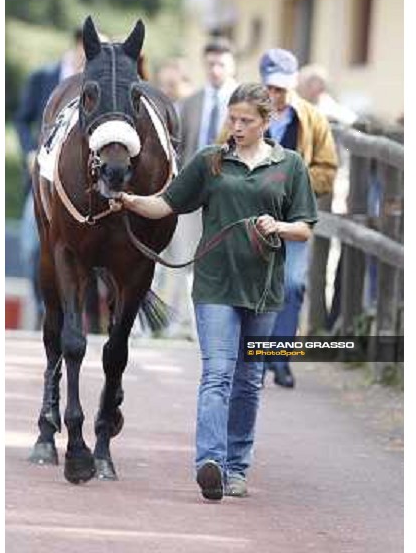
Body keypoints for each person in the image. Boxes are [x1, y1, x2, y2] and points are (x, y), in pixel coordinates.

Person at [112, 83, 317, 500]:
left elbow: (305, 228)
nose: (237, 127)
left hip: (263, 290)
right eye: (233, 118)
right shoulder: (211, 162)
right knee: (218, 374)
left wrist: (276, 227)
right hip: (214, 286)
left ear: (267, 121)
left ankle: (238, 466)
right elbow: (166, 203)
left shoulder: (289, 165)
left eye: (247, 121)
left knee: (248, 380)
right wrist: (128, 200)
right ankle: (211, 463)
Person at [258, 49, 338, 388]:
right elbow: (222, 154)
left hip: (294, 219)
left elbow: (328, 169)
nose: (276, 96)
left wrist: (296, 180)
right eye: (270, 88)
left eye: (282, 88)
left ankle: (281, 358)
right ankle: (258, 361)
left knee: (292, 285)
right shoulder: (245, 113)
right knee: (257, 287)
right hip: (252, 220)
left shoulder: (314, 120)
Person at [159, 39, 238, 340]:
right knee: (183, 259)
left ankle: (220, 326)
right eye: (211, 64)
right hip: (192, 193)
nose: (216, 70)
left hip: (229, 194)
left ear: (232, 66)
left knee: (223, 261)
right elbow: (178, 149)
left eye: (222, 64)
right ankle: (181, 324)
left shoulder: (244, 102)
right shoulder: (189, 103)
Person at [14, 28, 91, 329]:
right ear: (77, 46)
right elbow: (21, 118)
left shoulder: (97, 84)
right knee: (32, 246)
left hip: (79, 186)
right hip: (41, 177)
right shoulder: (42, 76)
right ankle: (43, 308)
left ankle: (73, 316)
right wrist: (29, 151)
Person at [298, 64, 358, 331]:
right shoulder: (305, 111)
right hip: (314, 195)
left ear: (316, 86)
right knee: (314, 265)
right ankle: (313, 324)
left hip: (331, 195)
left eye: (303, 83)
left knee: (323, 264)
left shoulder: (336, 116)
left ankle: (317, 326)